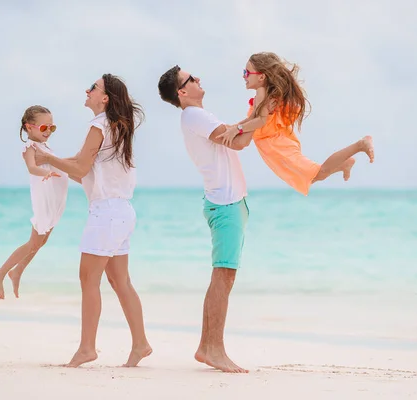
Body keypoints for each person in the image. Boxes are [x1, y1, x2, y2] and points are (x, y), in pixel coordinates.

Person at [33, 74, 152, 368]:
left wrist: (44, 157)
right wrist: (50, 161)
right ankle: (141, 344)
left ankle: (87, 348)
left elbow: (81, 166)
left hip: (106, 213)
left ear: (105, 98)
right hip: (121, 212)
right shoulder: (116, 128)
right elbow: (79, 171)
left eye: (93, 88)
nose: (87, 91)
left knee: (89, 279)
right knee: (120, 281)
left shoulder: (98, 126)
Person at [158, 65, 254, 373]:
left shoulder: (197, 116)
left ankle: (208, 347)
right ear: (182, 92)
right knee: (223, 277)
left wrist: (257, 112)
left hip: (227, 202)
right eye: (191, 79)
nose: (198, 79)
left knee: (224, 277)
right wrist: (262, 111)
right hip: (225, 203)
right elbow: (238, 141)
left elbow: (235, 134)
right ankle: (212, 349)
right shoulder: (195, 115)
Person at [219, 52, 375, 196]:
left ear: (261, 77)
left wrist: (236, 129)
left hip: (277, 146)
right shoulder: (264, 93)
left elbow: (260, 121)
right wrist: (234, 128)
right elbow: (253, 118)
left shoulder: (261, 93)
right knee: (311, 177)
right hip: (277, 143)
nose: (244, 76)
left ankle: (360, 145)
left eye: (246, 73)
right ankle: (343, 164)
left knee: (317, 173)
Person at [0, 105, 68, 299]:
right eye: (44, 128)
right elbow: (32, 168)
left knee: (42, 241)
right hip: (44, 199)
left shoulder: (46, 148)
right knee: (34, 242)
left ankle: (17, 272)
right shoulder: (30, 147)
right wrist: (47, 172)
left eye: (52, 127)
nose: (48, 131)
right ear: (29, 127)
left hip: (55, 200)